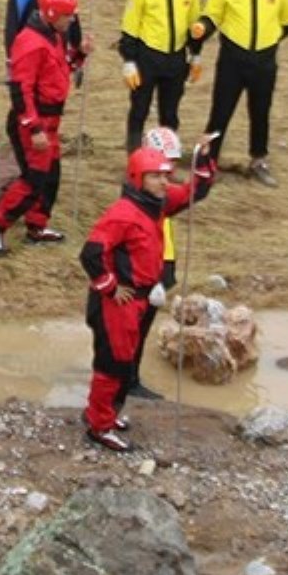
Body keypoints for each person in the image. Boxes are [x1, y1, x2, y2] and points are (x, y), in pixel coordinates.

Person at [78, 141, 215, 452]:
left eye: (166, 175)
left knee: (124, 361)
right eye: (156, 176)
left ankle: (105, 413)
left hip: (137, 301)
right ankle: (99, 426)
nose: (165, 182)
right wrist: (110, 287)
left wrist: (204, 161)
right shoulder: (122, 214)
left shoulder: (157, 204)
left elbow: (194, 192)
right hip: (118, 304)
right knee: (113, 364)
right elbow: (91, 254)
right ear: (138, 178)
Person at [191, 0, 288, 187]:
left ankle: (258, 160)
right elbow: (213, 15)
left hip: (264, 60)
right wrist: (202, 30)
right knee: (220, 111)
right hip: (231, 59)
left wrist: (266, 42)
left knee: (260, 111)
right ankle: (208, 163)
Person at [0, 0, 81, 254]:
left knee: (51, 176)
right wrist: (34, 128)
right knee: (33, 178)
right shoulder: (30, 42)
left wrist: (81, 53)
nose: (71, 20)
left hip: (50, 121)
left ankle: (36, 226)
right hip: (34, 122)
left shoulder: (54, 36)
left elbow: (62, 67)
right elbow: (20, 89)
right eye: (67, 15)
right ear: (52, 13)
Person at [120, 0, 202, 149]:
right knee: (139, 109)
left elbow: (194, 23)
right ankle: (134, 156)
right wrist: (129, 61)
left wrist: (195, 55)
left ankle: (167, 155)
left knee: (170, 112)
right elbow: (130, 25)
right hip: (147, 55)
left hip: (175, 57)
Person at [121, 126, 185, 401]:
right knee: (130, 329)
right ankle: (124, 381)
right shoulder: (136, 197)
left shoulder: (156, 191)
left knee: (141, 326)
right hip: (142, 271)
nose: (167, 175)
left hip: (162, 258)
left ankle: (128, 377)